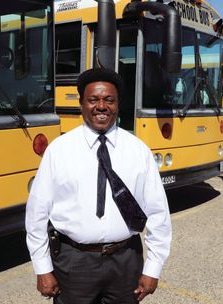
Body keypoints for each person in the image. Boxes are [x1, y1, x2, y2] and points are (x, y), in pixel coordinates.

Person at [25, 68, 171, 303]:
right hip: (74, 262)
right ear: (81, 104)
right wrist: (42, 268)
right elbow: (36, 215)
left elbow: (158, 213)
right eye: (93, 100)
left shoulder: (138, 151)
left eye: (109, 100)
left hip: (126, 261)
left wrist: (153, 268)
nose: (101, 106)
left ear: (118, 104)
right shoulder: (59, 150)